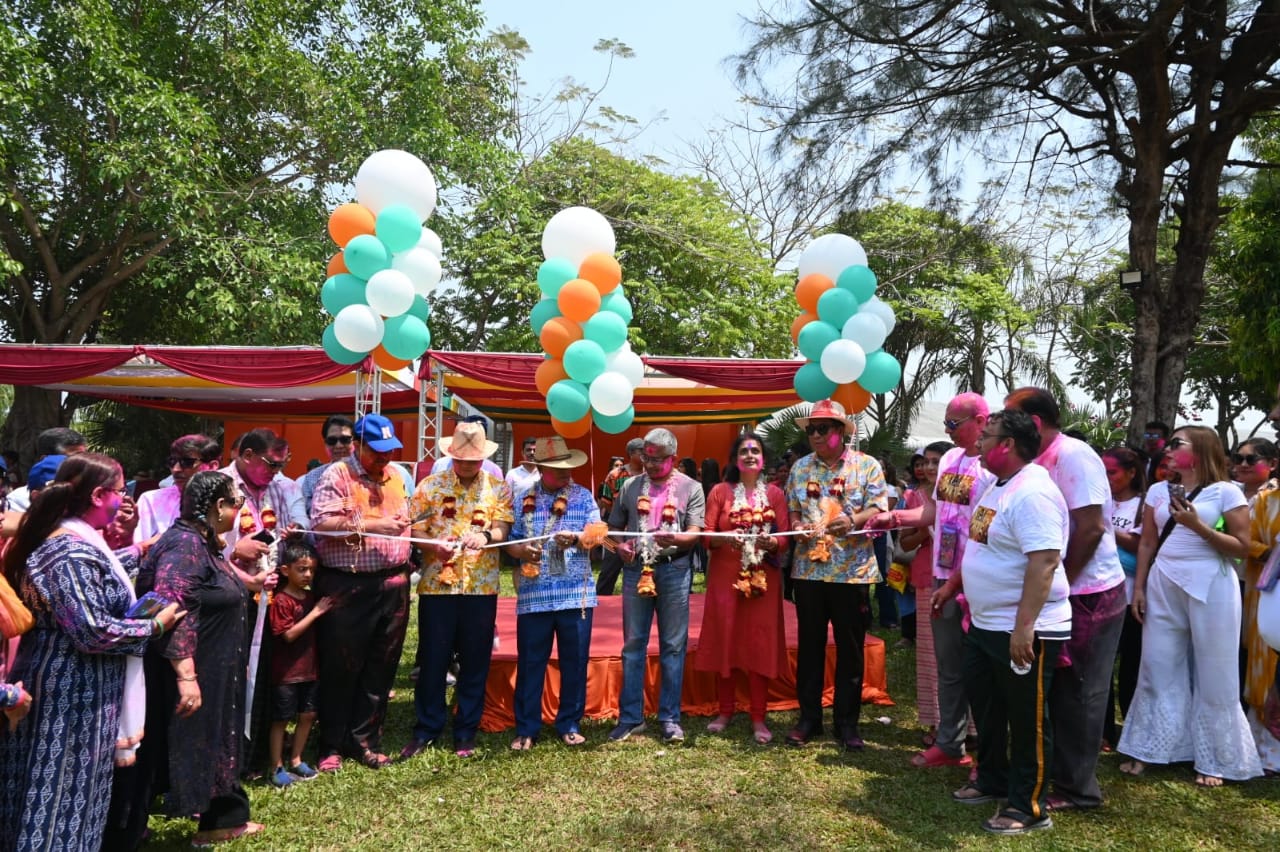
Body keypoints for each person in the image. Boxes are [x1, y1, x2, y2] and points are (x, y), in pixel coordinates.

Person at [0, 453, 184, 852]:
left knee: (74, 794)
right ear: (99, 495)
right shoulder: (68, 550)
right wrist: (155, 625)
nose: (126, 500)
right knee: (59, 795)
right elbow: (92, 630)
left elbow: (90, 582)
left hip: (77, 688)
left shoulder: (73, 539)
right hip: (69, 694)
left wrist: (137, 552)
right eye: (121, 492)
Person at [1118, 426, 1262, 785]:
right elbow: (1147, 544)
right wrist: (1139, 588)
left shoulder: (1226, 491)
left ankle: (1215, 756)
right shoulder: (1156, 491)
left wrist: (1198, 526)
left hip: (1211, 582)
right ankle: (1152, 747)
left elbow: (1242, 547)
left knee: (1217, 669)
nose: (1166, 449)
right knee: (1157, 663)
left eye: (1176, 444)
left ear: (1199, 451)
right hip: (1163, 580)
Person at [950, 410, 1071, 836]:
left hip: (1021, 629)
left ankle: (1029, 805)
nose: (978, 442)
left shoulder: (1033, 493)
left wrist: (1024, 626)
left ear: (1007, 444)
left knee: (1026, 718)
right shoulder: (998, 486)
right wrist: (954, 587)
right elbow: (984, 548)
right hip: (985, 625)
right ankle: (992, 778)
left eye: (986, 436)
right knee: (987, 705)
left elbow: (1044, 561)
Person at [1005, 387, 1127, 812]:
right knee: (1052, 688)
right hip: (1058, 593)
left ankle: (1078, 789)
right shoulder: (1035, 459)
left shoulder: (1073, 455)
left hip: (1089, 592)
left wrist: (1062, 584)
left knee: (1081, 690)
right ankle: (1053, 772)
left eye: (1012, 418)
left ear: (1035, 423)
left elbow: (1091, 528)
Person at [867, 392, 991, 767]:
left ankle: (987, 743)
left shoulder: (993, 467)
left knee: (982, 665)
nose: (947, 430)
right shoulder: (951, 458)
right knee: (948, 664)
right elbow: (933, 511)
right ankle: (950, 743)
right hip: (942, 574)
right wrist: (895, 519)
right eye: (947, 423)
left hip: (979, 580)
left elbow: (987, 526)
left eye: (955, 424)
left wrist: (962, 578)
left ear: (981, 421)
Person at [402, 420, 513, 759]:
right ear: (451, 456)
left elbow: (503, 529)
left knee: (475, 660)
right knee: (434, 658)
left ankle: (466, 730)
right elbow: (415, 528)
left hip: (480, 587)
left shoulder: (498, 488)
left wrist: (486, 537)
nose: (467, 466)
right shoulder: (429, 486)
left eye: (474, 461)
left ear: (483, 459)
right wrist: (432, 545)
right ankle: (427, 728)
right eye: (461, 460)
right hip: (438, 586)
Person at [309, 413, 413, 771]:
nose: (384, 457)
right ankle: (331, 746)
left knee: (380, 667)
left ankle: (366, 742)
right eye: (377, 451)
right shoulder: (337, 475)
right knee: (341, 666)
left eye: (389, 450)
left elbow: (405, 519)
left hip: (393, 584)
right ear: (358, 445)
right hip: (348, 584)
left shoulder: (397, 476)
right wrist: (373, 525)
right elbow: (321, 523)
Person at [784, 399, 888, 751]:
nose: (815, 434)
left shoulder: (866, 465)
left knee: (850, 649)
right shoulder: (800, 468)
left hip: (852, 571)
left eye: (823, 428)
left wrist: (854, 520)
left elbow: (879, 506)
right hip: (809, 570)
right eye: (811, 429)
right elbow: (794, 510)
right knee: (811, 646)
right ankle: (809, 719)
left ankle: (847, 723)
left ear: (841, 432)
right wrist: (796, 527)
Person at [607, 428, 705, 744]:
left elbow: (695, 532)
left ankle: (670, 718)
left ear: (673, 457)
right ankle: (631, 718)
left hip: (674, 569)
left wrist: (678, 538)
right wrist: (619, 547)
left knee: (673, 645)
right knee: (633, 644)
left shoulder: (691, 487)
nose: (650, 465)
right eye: (646, 458)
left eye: (657, 460)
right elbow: (614, 527)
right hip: (637, 569)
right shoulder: (630, 486)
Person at [503, 436, 599, 750]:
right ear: (542, 468)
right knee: (531, 661)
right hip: (534, 594)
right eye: (559, 468)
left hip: (576, 593)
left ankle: (570, 723)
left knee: (575, 660)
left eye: (569, 467)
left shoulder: (583, 496)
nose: (567, 473)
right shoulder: (522, 498)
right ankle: (527, 728)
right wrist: (521, 551)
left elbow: (599, 534)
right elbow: (510, 543)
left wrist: (577, 538)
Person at [693, 431, 788, 744]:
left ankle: (759, 716)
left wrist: (771, 541)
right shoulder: (720, 491)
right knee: (727, 638)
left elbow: (785, 538)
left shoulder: (775, 495)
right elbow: (706, 535)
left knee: (759, 642)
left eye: (756, 450)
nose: (750, 455)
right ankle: (725, 711)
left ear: (763, 459)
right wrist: (725, 537)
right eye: (744, 450)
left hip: (763, 579)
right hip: (725, 576)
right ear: (735, 458)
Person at [895, 441, 953, 751]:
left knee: (959, 656)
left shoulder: (962, 494)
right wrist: (925, 525)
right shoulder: (912, 497)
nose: (930, 467)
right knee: (931, 655)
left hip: (959, 582)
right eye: (927, 461)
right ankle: (936, 721)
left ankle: (966, 725)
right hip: (926, 579)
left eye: (936, 461)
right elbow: (904, 544)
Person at [1232, 437, 1280, 772]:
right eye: (1240, 459)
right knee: (1260, 659)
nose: (1245, 464)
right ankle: (1264, 746)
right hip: (1262, 588)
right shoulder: (1263, 499)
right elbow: (1235, 538)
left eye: (1253, 459)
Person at [267, 540, 332, 787]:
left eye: (312, 570)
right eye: (302, 569)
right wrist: (315, 613)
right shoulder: (282, 600)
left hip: (309, 669)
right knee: (281, 719)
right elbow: (288, 635)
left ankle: (296, 759)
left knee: (308, 714)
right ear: (285, 570)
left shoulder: (309, 596)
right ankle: (276, 766)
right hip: (286, 673)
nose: (307, 575)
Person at [1100, 446, 1147, 750]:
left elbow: (1140, 545)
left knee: (1130, 670)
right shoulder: (1101, 500)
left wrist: (1102, 523)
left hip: (1131, 598)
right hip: (1100, 595)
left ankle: (1131, 731)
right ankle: (1103, 731)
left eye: (1112, 473)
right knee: (1101, 670)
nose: (1107, 478)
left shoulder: (1143, 506)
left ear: (1132, 473)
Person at [134, 434, 222, 542]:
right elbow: (137, 550)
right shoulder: (151, 500)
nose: (176, 469)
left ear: (212, 466)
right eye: (172, 461)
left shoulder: (231, 502)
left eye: (187, 462)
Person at [596, 437, 645, 596]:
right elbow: (605, 502)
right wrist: (620, 515)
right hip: (614, 531)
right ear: (631, 453)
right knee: (609, 570)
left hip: (640, 530)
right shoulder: (615, 474)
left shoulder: (650, 474)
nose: (646, 455)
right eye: (641, 451)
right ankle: (601, 602)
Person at [3, 426, 87, 513]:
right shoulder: (17, 503)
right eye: (75, 458)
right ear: (45, 459)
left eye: (85, 457)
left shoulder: (89, 493)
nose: (86, 463)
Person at [296, 415, 355, 516]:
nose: (339, 445)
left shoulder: (367, 471)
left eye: (345, 440)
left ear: (355, 441)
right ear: (325, 443)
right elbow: (306, 514)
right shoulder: (312, 477)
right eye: (332, 441)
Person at [429, 415, 504, 479]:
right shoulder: (439, 465)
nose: (465, 465)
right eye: (458, 460)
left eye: (473, 462)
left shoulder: (494, 471)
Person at [505, 436, 541, 500]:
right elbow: (506, 500)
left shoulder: (543, 474)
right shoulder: (512, 474)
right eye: (528, 450)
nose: (532, 453)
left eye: (535, 450)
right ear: (522, 453)